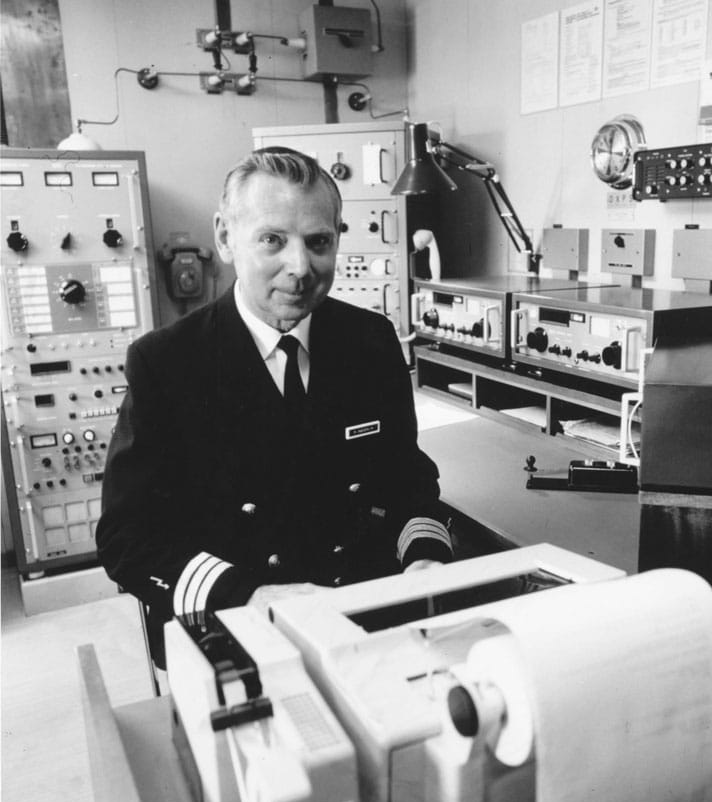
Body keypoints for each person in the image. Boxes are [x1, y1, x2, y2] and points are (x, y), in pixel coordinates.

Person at [96, 147, 453, 666]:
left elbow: (408, 482)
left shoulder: (370, 341)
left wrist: (424, 558)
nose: (300, 267)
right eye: (272, 240)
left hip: (361, 622)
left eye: (318, 242)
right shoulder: (167, 363)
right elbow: (127, 536)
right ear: (224, 238)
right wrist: (250, 596)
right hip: (234, 632)